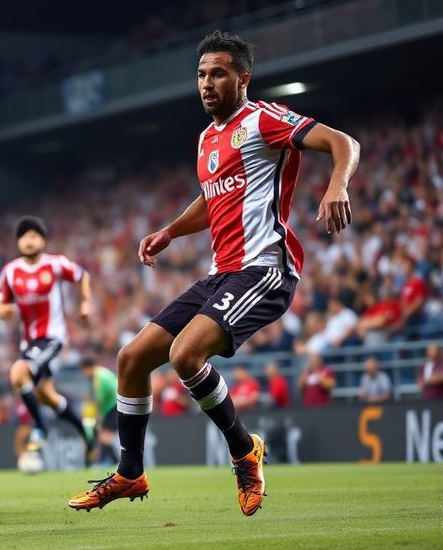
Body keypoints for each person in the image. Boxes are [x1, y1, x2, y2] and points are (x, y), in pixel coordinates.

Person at [68, 30, 359, 516]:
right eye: (201, 74)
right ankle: (130, 472)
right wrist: (170, 231)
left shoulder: (264, 119)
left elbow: (342, 142)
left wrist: (337, 186)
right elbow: (213, 198)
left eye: (218, 74)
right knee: (131, 358)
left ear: (243, 78)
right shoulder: (207, 138)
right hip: (220, 273)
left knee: (185, 355)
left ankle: (245, 452)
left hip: (264, 268)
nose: (206, 83)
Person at [0, 216, 94, 464]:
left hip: (52, 336)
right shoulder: (10, 271)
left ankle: (40, 427)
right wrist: (4, 311)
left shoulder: (55, 264)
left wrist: (85, 303)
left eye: (34, 235)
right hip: (29, 343)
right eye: (24, 236)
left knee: (18, 373)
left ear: (43, 240)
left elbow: (82, 275)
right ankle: (85, 430)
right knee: (47, 396)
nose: (28, 240)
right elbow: (2, 305)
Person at [80, 354, 119, 465]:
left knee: (105, 436)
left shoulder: (98, 378)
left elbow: (98, 400)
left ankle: (109, 462)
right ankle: (112, 462)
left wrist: (97, 415)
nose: (83, 374)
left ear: (86, 368)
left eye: (83, 371)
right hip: (115, 405)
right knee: (104, 436)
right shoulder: (101, 372)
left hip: (115, 406)